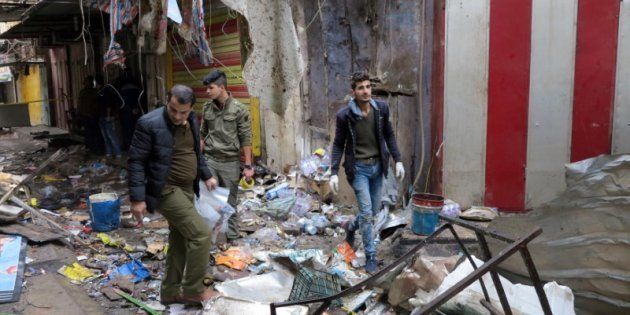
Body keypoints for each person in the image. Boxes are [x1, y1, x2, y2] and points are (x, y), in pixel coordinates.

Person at [127, 85, 218, 305]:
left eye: (183, 112)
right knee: (201, 235)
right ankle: (194, 290)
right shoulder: (148, 123)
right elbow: (136, 161)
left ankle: (170, 292)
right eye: (173, 110)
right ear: (167, 101)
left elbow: (195, 152)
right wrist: (137, 198)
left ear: (190, 109)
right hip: (165, 190)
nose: (177, 116)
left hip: (187, 188)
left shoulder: (193, 121)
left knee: (179, 239)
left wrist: (206, 175)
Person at [329, 71, 405, 274]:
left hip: (378, 168)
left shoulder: (381, 109)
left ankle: (352, 227)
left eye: (368, 86)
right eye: (361, 88)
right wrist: (334, 171)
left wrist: (398, 160)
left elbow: (389, 135)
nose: (366, 91)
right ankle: (371, 255)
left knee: (371, 213)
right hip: (359, 169)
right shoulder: (345, 116)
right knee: (366, 212)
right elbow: (338, 144)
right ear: (353, 91)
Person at [200, 70, 253, 241]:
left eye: (210, 88)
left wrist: (248, 166)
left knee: (230, 202)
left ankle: (232, 237)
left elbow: (246, 138)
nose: (207, 92)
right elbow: (202, 134)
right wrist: (198, 161)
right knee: (209, 201)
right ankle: (211, 238)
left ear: (222, 87)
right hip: (210, 160)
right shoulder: (207, 107)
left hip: (230, 161)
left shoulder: (239, 109)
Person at [96, 75, 122, 158]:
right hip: (102, 116)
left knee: (111, 136)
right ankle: (109, 152)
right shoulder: (101, 92)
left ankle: (118, 153)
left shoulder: (106, 91)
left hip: (107, 117)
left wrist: (108, 116)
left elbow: (108, 105)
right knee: (106, 136)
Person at [118, 71, 144, 151]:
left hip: (127, 113)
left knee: (127, 131)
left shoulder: (121, 88)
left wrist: (130, 110)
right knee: (136, 130)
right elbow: (140, 99)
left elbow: (122, 103)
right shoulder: (136, 86)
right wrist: (137, 108)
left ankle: (129, 147)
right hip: (136, 112)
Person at [77, 75, 102, 154]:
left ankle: (94, 148)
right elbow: (80, 105)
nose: (84, 82)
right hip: (87, 115)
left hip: (91, 115)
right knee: (90, 133)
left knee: (93, 133)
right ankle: (92, 148)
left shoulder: (93, 92)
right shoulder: (86, 92)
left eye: (86, 81)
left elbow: (96, 104)